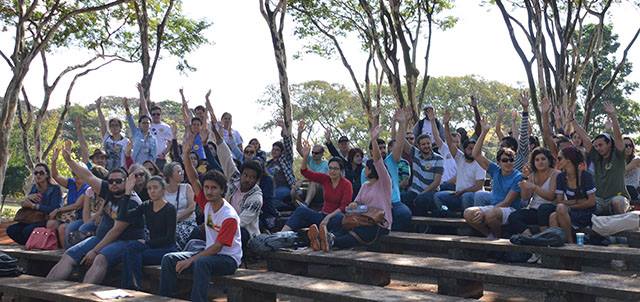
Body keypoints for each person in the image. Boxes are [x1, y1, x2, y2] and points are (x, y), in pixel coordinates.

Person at [47, 144, 144, 284]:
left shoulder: (132, 202)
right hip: (101, 238)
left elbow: (115, 231)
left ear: (127, 181)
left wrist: (94, 251)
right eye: (111, 181)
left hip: (125, 241)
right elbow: (88, 176)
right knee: (69, 255)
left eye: (118, 181)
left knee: (99, 258)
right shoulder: (109, 190)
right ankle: (43, 290)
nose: (114, 184)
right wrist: (69, 161)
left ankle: (82, 296)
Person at [159, 170, 241, 302]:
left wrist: (190, 260)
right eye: (206, 187)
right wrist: (185, 153)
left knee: (201, 263)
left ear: (222, 190)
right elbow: (193, 179)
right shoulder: (208, 204)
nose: (209, 191)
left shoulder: (229, 216)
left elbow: (217, 248)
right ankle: (165, 299)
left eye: (214, 188)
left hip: (228, 260)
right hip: (209, 255)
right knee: (169, 259)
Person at [308, 124, 392, 251]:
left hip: (379, 224)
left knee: (356, 234)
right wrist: (353, 204)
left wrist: (374, 140)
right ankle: (322, 240)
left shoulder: (384, 183)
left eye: (367, 168)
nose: (365, 170)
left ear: (373, 170)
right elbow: (357, 202)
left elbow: (378, 160)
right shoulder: (365, 186)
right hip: (362, 219)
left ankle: (329, 241)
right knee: (342, 223)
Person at [464, 118, 523, 239]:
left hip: (510, 210)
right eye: (505, 160)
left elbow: (507, 202)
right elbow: (476, 154)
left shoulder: (518, 176)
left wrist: (484, 212)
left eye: (511, 160)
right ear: (499, 162)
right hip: (495, 207)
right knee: (468, 213)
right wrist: (484, 132)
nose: (508, 163)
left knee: (490, 214)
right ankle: (489, 235)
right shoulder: (495, 170)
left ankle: (498, 239)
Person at [570, 101, 630, 215]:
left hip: (618, 197)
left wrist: (613, 116)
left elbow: (617, 137)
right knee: (583, 205)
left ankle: (621, 231)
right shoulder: (596, 156)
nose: (597, 148)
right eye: (596, 146)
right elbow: (586, 138)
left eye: (601, 145)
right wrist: (572, 121)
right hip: (598, 201)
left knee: (618, 202)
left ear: (609, 144)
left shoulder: (618, 156)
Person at [208, 125, 263, 246]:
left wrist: (217, 227)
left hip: (245, 234)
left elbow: (240, 222)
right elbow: (226, 157)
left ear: (257, 180)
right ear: (241, 173)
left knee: (239, 232)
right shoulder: (234, 179)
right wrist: (217, 135)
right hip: (221, 225)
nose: (247, 179)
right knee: (201, 229)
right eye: (246, 175)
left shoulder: (256, 198)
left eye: (252, 177)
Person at [281, 141, 353, 232]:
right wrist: (305, 156)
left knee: (338, 219)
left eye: (335, 169)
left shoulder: (346, 184)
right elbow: (305, 172)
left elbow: (344, 207)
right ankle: (281, 235)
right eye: (330, 168)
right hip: (322, 216)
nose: (332, 171)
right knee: (301, 210)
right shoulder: (326, 179)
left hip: (336, 217)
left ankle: (326, 238)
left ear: (341, 171)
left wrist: (328, 217)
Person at [121, 176, 177, 290]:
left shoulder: (170, 209)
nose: (152, 191)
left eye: (155, 187)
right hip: (151, 248)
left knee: (132, 254)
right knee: (130, 249)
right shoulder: (146, 205)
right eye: (149, 188)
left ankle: (132, 287)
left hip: (166, 249)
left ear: (163, 189)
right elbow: (123, 216)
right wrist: (127, 193)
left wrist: (146, 243)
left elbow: (169, 238)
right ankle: (133, 287)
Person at [433, 111, 486, 216]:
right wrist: (446, 125)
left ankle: (467, 220)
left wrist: (462, 192)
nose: (472, 151)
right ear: (464, 149)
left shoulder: (480, 163)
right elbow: (449, 142)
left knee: (467, 196)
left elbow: (478, 187)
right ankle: (451, 216)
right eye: (469, 149)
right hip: (458, 195)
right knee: (438, 196)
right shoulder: (460, 158)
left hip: (472, 197)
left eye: (474, 149)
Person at [400, 111, 445, 216]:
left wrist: (423, 193)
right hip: (414, 191)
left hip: (430, 192)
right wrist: (405, 121)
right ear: (419, 146)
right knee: (402, 198)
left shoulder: (439, 159)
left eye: (428, 143)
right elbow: (400, 139)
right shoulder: (415, 153)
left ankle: (423, 227)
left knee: (421, 200)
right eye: (423, 144)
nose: (426, 146)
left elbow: (436, 182)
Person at [507, 148, 559, 237]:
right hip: (534, 210)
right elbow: (525, 198)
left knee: (543, 208)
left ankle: (544, 237)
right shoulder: (532, 175)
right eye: (537, 160)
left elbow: (551, 196)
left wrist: (534, 187)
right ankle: (529, 236)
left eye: (543, 159)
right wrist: (524, 181)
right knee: (513, 216)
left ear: (549, 160)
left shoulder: (555, 174)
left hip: (549, 209)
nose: (540, 162)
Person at [550, 147, 597, 243]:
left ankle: (569, 244)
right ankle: (561, 246)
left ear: (568, 160)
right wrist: (578, 201)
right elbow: (559, 201)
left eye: (559, 158)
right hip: (571, 210)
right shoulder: (561, 177)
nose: (557, 161)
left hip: (587, 213)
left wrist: (570, 206)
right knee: (553, 216)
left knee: (560, 210)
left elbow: (591, 202)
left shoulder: (585, 176)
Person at [7, 163, 63, 245]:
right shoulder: (34, 188)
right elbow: (24, 204)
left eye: (41, 173)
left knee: (27, 231)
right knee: (11, 229)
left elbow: (54, 208)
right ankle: (29, 244)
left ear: (47, 175)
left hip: (45, 218)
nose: (38, 175)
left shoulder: (55, 189)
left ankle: (33, 244)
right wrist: (28, 198)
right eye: (36, 173)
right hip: (31, 218)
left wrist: (35, 206)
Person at [47, 148, 90, 247]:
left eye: (79, 172)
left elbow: (77, 205)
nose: (76, 175)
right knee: (50, 224)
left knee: (63, 228)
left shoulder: (87, 187)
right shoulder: (71, 183)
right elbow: (56, 176)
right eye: (74, 173)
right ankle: (51, 247)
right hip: (67, 216)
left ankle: (65, 252)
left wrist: (58, 210)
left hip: (80, 217)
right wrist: (53, 162)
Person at [163, 162, 197, 249]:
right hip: (168, 224)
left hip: (187, 222)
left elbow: (192, 207)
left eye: (182, 171)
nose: (182, 173)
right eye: (179, 172)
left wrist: (176, 217)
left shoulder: (186, 187)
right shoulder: (162, 191)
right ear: (170, 175)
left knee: (176, 233)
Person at [138, 83, 172, 170]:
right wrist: (141, 92)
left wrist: (164, 154)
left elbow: (170, 142)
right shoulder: (148, 123)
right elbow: (144, 106)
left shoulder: (166, 127)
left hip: (159, 159)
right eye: (153, 114)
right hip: (147, 157)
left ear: (161, 115)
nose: (156, 116)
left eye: (158, 114)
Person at [266, 120, 297, 209]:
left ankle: (288, 206)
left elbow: (288, 144)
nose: (274, 151)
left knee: (271, 198)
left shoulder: (285, 160)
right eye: (273, 149)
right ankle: (286, 206)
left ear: (281, 152)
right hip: (271, 189)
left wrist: (284, 128)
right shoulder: (268, 164)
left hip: (285, 188)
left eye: (277, 150)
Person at [297, 121, 329, 206]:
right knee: (294, 189)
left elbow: (317, 178)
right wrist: (299, 133)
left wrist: (303, 179)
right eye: (313, 152)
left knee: (313, 182)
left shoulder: (326, 164)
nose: (314, 154)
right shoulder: (311, 159)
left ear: (322, 154)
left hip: (322, 190)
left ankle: (306, 204)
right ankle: (298, 206)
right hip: (311, 187)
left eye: (316, 153)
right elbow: (299, 149)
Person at [97, 97, 129, 171]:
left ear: (120, 127)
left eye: (116, 125)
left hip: (120, 170)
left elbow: (127, 157)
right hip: (106, 170)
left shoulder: (126, 141)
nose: (114, 127)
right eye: (112, 125)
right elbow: (102, 123)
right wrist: (98, 108)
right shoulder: (107, 138)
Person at [124, 97, 157, 165]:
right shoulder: (136, 132)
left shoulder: (153, 139)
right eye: (143, 123)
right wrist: (127, 108)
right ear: (139, 124)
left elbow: (153, 155)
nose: (146, 125)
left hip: (146, 167)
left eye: (147, 123)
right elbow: (130, 120)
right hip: (134, 164)